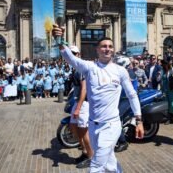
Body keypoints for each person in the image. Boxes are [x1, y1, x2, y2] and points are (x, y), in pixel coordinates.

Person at [53, 24, 144, 173]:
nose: (107, 48)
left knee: (96, 166)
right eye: (103, 46)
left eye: (110, 46)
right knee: (109, 163)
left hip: (111, 126)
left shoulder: (120, 71)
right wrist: (60, 39)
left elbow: (132, 96)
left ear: (113, 50)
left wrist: (139, 121)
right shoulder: (89, 68)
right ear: (97, 50)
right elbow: (69, 58)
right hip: (93, 126)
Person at [68, 45, 93, 169]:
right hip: (77, 102)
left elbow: (84, 89)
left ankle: (91, 157)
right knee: (73, 126)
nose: (71, 55)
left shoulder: (82, 69)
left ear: (78, 55)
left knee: (84, 131)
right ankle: (84, 151)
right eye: (70, 53)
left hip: (83, 104)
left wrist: (78, 107)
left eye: (74, 53)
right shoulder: (74, 69)